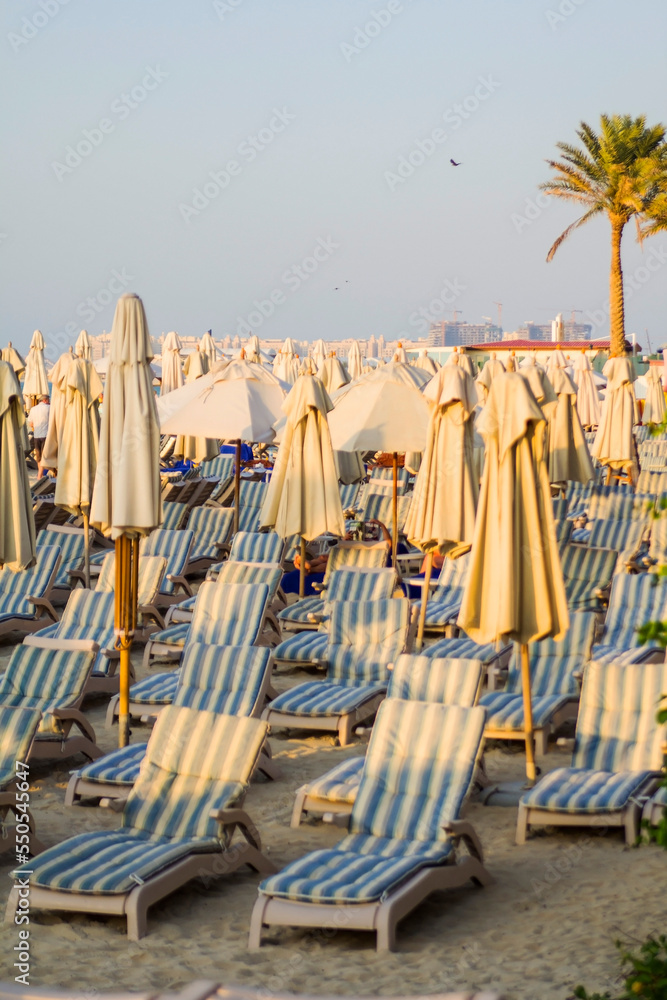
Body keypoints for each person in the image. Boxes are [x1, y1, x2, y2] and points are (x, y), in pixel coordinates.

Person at [27, 395, 51, 478]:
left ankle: (40, 475)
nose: (49, 402)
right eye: (48, 400)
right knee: (47, 456)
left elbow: (31, 424)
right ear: (45, 400)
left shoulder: (33, 409)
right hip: (46, 435)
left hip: (37, 436)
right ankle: (41, 475)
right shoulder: (49, 408)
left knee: (39, 457)